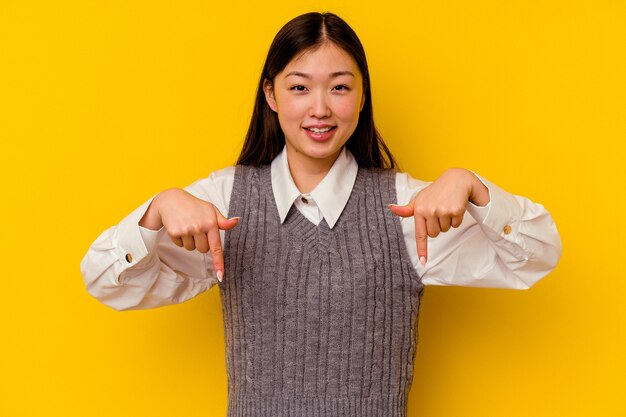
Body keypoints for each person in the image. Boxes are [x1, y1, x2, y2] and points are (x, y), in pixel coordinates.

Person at [80, 12, 562, 417]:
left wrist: (474, 187)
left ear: (362, 95)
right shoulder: (224, 202)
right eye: (298, 87)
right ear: (270, 96)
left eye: (338, 87)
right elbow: (105, 281)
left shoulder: (406, 208)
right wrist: (156, 210)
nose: (319, 108)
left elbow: (538, 255)